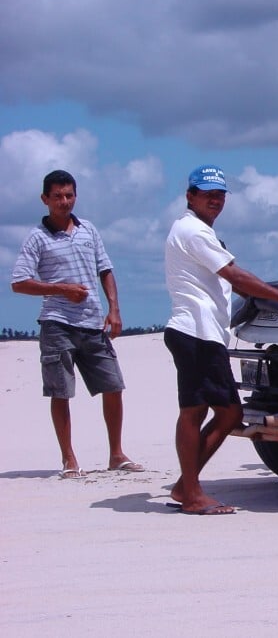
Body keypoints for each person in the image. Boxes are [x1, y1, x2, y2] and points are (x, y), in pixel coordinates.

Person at [164, 165, 278, 515]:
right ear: (190, 196)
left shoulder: (201, 233)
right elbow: (234, 274)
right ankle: (190, 493)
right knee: (210, 412)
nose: (215, 200)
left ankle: (185, 486)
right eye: (207, 193)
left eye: (220, 194)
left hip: (205, 333)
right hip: (195, 332)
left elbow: (233, 283)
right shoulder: (193, 232)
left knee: (218, 412)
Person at [10, 169, 143, 478]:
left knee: (113, 386)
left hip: (92, 322)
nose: (64, 202)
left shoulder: (89, 230)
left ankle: (116, 454)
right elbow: (19, 282)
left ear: (75, 196)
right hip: (56, 323)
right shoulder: (36, 237)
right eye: (57, 196)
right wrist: (61, 289)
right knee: (61, 392)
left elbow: (105, 269)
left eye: (68, 195)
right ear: (45, 199)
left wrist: (114, 310)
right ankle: (69, 459)